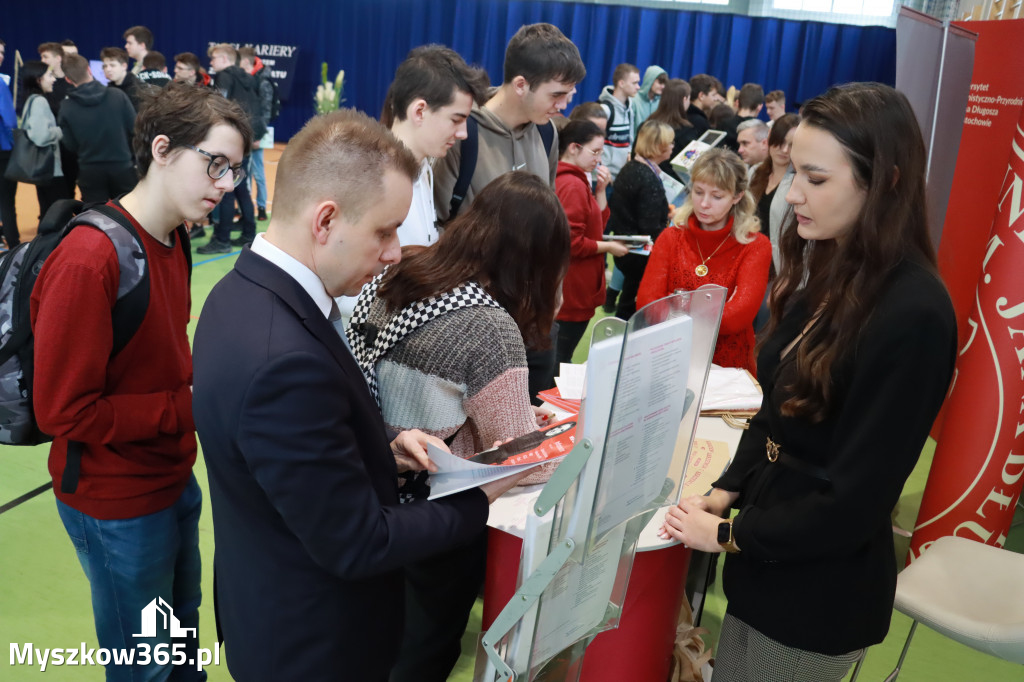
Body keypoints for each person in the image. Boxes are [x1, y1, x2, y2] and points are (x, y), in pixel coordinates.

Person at [192, 108, 531, 682]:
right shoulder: (284, 357)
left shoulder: (239, 293)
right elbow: (359, 543)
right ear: (326, 220)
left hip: (273, 602)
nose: (396, 251)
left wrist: (386, 441)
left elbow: (288, 450)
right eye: (384, 230)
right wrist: (483, 493)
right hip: (315, 643)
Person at [659, 82, 958, 682]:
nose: (793, 194)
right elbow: (776, 412)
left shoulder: (915, 313)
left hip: (817, 590)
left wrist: (727, 532)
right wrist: (726, 488)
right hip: (765, 563)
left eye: (816, 180)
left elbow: (855, 502)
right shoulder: (829, 270)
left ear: (886, 182)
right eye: (794, 172)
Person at [31, 82, 251, 682]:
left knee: (180, 641)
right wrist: (184, 408)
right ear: (161, 149)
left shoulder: (174, 236)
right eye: (215, 164)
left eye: (235, 170)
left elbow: (161, 354)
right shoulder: (89, 259)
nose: (225, 185)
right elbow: (64, 412)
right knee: (146, 667)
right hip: (116, 502)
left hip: (171, 479)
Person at [349, 172, 569, 682]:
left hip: (368, 478)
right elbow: (522, 458)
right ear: (534, 259)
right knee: (424, 648)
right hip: (435, 514)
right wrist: (563, 439)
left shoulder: (401, 270)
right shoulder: (489, 327)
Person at [433, 23, 586, 403]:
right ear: (521, 84)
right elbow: (436, 229)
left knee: (529, 430)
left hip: (535, 319)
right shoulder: (462, 136)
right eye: (557, 94)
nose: (563, 104)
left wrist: (554, 288)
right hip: (473, 323)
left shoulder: (547, 133)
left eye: (569, 94)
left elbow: (549, 222)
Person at [335, 44, 488, 327]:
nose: (464, 133)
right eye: (457, 119)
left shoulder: (424, 168)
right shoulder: (369, 175)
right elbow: (338, 286)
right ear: (419, 111)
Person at [637, 148, 770, 373]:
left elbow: (737, 317)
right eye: (698, 192)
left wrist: (677, 304)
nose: (704, 204)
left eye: (717, 196)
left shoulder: (755, 246)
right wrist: (707, 311)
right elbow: (648, 305)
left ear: (737, 196)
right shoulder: (671, 237)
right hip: (670, 360)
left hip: (727, 365)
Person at [554, 120, 628, 364]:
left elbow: (595, 225)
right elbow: (571, 243)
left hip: (574, 287)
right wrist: (609, 247)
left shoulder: (579, 179)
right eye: (594, 152)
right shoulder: (572, 183)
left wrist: (600, 192)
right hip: (571, 289)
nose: (598, 159)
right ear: (574, 148)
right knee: (560, 359)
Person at [606, 120, 674, 321]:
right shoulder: (647, 178)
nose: (672, 146)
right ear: (658, 146)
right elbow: (650, 227)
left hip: (628, 250)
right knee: (631, 310)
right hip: (639, 256)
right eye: (669, 143)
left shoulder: (632, 167)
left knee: (627, 300)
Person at [198, 44, 263, 253]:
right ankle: (248, 231)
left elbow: (219, 107)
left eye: (214, 58)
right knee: (240, 187)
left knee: (225, 188)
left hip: (231, 138)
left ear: (225, 59)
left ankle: (222, 239)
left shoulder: (224, 76)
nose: (211, 62)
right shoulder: (248, 78)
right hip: (246, 136)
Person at [57, 54, 137, 204]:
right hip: (122, 166)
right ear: (89, 69)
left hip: (89, 169)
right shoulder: (117, 96)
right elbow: (134, 129)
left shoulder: (66, 107)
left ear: (67, 79)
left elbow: (70, 145)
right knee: (129, 214)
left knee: (95, 217)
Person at [749, 112, 800, 271]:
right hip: (748, 255)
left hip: (780, 265)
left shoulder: (799, 181)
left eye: (792, 145)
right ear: (770, 138)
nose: (784, 150)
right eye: (780, 141)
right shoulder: (755, 172)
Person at [19, 61, 65, 218]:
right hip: (49, 168)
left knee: (47, 212)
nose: (53, 79)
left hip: (41, 168)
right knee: (55, 214)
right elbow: (41, 136)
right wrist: (60, 131)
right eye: (49, 75)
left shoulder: (31, 99)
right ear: (38, 79)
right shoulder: (40, 101)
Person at [646, 78, 700, 182]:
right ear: (685, 99)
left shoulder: (648, 123)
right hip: (675, 186)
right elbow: (691, 165)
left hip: (646, 179)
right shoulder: (687, 131)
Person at [598, 62, 640, 181]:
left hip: (620, 176)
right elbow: (592, 144)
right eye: (635, 83)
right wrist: (602, 170)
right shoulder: (605, 110)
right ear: (621, 83)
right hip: (604, 177)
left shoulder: (629, 109)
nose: (638, 87)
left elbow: (629, 140)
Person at [0, 38, 20, 249]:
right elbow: (9, 119)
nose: (1, 56)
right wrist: (16, 144)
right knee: (6, 200)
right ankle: (13, 244)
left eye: (2, 52)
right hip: (3, 149)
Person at [630, 65, 667, 136]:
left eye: (664, 83)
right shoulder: (634, 100)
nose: (663, 86)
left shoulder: (661, 102)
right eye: (660, 83)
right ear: (650, 80)